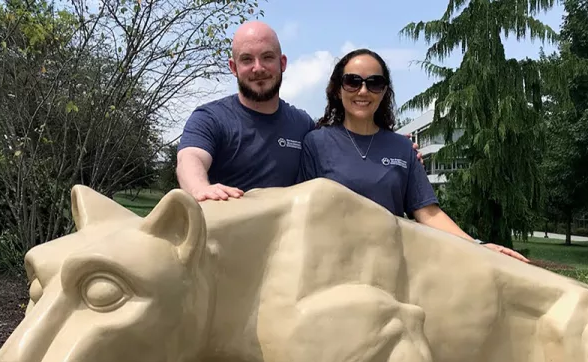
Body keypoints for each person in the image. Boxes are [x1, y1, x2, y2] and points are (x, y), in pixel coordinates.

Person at [297, 48, 528, 262]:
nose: (363, 91)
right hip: (332, 268)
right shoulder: (316, 143)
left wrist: (478, 246)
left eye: (375, 83)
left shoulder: (402, 147)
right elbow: (304, 214)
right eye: (352, 82)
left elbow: (428, 213)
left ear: (384, 91)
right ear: (338, 89)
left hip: (390, 267)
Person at [176, 21, 421, 202]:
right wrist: (200, 188)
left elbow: (344, 146)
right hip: (224, 253)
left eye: (267, 57)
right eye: (247, 59)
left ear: (282, 63)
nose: (258, 68)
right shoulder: (210, 118)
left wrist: (399, 151)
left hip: (287, 256)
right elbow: (190, 159)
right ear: (233, 67)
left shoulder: (302, 124)